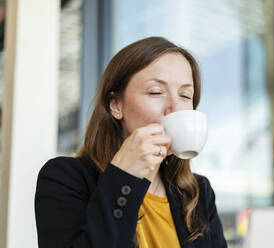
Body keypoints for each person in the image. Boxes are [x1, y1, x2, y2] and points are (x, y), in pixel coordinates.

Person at [34, 36, 227, 248]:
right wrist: (124, 176)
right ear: (115, 105)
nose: (175, 107)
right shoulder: (64, 178)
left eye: (185, 95)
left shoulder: (198, 192)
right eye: (156, 92)